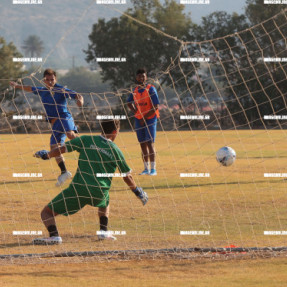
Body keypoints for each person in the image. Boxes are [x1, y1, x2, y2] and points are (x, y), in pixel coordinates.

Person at [32, 119, 148, 245]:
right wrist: (137, 191)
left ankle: (54, 236)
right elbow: (127, 177)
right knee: (105, 199)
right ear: (115, 132)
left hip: (79, 189)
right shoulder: (116, 150)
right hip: (99, 191)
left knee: (46, 212)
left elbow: (61, 149)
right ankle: (103, 231)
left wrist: (47, 155)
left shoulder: (86, 140)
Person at [10, 69, 84, 186]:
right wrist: (17, 86)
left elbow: (76, 95)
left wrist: (80, 101)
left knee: (70, 135)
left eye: (52, 79)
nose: (50, 82)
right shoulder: (43, 91)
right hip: (55, 124)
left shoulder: (60, 89)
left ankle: (89, 150)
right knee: (54, 148)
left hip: (64, 118)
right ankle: (64, 172)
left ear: (56, 79)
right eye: (47, 80)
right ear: (44, 80)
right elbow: (30, 88)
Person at [127, 68, 160, 176]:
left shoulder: (151, 89)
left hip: (150, 119)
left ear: (146, 77)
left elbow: (155, 106)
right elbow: (128, 102)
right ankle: (146, 169)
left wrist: (144, 118)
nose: (141, 78)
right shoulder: (135, 90)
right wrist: (136, 112)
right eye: (139, 76)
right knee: (142, 144)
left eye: (143, 76)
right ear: (136, 78)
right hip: (139, 119)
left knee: (150, 143)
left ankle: (153, 169)